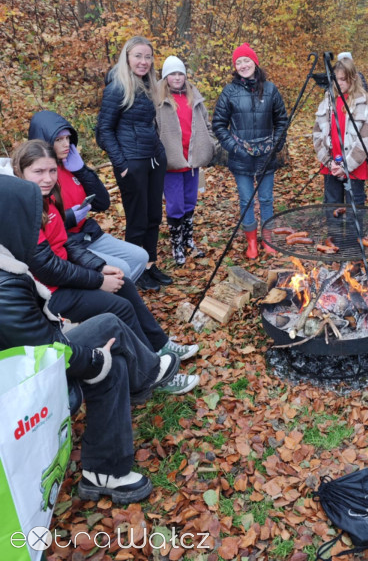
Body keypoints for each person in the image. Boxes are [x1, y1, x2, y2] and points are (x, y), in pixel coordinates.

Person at [0, 173, 191, 503]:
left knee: (114, 356)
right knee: (110, 330)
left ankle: (103, 473)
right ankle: (148, 373)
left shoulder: (8, 263)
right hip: (20, 388)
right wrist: (92, 358)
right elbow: (46, 354)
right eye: (29, 222)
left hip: (39, 353)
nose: (35, 231)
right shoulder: (6, 282)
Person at [11, 139, 200, 376]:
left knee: (125, 284)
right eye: (38, 172)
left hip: (60, 281)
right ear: (21, 171)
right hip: (47, 295)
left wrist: (100, 267)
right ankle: (151, 372)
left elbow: (66, 243)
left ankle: (160, 345)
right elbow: (47, 267)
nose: (47, 178)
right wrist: (98, 280)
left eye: (51, 171)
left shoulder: (46, 198)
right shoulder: (22, 209)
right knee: (118, 307)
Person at [28, 110, 148, 282]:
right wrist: (69, 217)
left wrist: (81, 170)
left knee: (140, 257)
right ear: (44, 141)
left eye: (68, 138)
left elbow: (102, 202)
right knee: (122, 269)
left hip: (87, 233)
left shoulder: (70, 166)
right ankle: (115, 299)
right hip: (67, 243)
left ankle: (121, 294)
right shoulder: (39, 177)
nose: (66, 144)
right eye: (59, 139)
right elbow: (37, 226)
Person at [96, 36, 171, 292]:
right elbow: (104, 131)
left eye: (148, 57)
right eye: (138, 56)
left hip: (153, 160)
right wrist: (122, 164)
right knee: (137, 220)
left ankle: (150, 264)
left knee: (153, 216)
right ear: (127, 57)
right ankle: (135, 271)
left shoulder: (148, 85)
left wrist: (159, 151)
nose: (143, 61)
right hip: (132, 163)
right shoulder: (117, 87)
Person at [212, 43, 288, 259]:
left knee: (266, 199)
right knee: (246, 199)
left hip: (267, 154)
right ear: (235, 67)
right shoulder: (229, 91)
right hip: (241, 156)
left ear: (255, 62)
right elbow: (218, 124)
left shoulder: (271, 89)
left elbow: (281, 119)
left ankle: (268, 239)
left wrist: (276, 144)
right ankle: (251, 242)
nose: (243, 65)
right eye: (238, 62)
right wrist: (234, 148)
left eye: (246, 60)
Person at [157, 56, 216, 264]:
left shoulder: (194, 97)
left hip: (192, 162)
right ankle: (176, 245)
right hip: (172, 163)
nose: (177, 77)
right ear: (165, 77)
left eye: (180, 73)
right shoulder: (159, 99)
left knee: (190, 202)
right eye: (172, 73)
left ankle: (188, 241)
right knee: (175, 205)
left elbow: (206, 123)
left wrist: (209, 143)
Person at [313, 57, 368, 206]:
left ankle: (354, 231)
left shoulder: (364, 103)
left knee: (354, 210)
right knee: (332, 208)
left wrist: (346, 166)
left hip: (355, 168)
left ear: (353, 78)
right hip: (331, 167)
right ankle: (334, 230)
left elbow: (366, 140)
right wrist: (329, 162)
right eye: (336, 79)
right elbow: (317, 135)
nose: (339, 83)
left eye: (343, 79)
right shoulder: (328, 100)